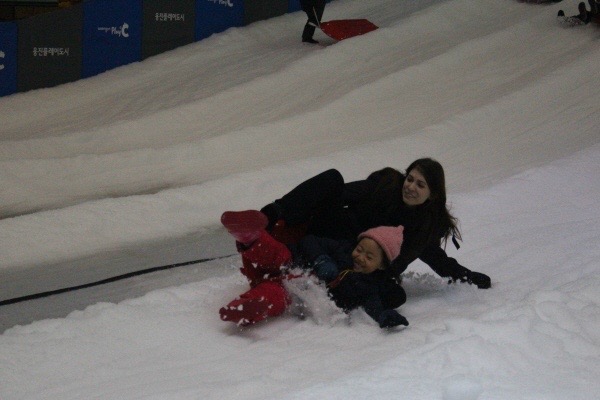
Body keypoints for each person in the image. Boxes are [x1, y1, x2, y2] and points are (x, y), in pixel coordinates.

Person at [260, 159, 491, 289]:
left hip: (351, 261)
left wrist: (466, 276)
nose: (410, 187)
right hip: (329, 232)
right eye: (410, 179)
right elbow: (339, 194)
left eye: (420, 185)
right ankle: (269, 216)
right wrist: (298, 213)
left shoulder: (424, 226)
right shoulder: (386, 186)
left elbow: (434, 256)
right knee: (332, 178)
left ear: (432, 195)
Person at [219, 210, 409, 329]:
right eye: (359, 249)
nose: (360, 257)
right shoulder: (341, 249)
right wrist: (321, 259)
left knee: (277, 298)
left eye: (369, 257)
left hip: (292, 289)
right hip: (287, 263)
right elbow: (309, 241)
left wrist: (383, 316)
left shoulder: (368, 286)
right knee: (279, 254)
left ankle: (245, 308)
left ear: (381, 265)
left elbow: (372, 305)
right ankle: (249, 236)